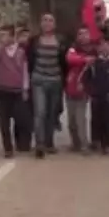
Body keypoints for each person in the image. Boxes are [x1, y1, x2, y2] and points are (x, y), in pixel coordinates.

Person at [25, 13, 67, 159]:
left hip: (55, 80)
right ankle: (40, 144)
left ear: (54, 24)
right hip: (38, 80)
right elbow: (28, 61)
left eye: (50, 20)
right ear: (41, 24)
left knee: (52, 113)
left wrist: (64, 80)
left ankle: (49, 142)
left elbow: (64, 62)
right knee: (40, 112)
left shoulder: (60, 41)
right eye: (45, 20)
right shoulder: (34, 41)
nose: (47, 23)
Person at [0, 25, 31, 158]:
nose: (2, 38)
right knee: (4, 121)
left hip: (17, 90)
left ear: (12, 36)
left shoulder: (21, 52)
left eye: (4, 35)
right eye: (1, 35)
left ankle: (21, 142)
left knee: (20, 119)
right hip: (2, 89)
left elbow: (25, 71)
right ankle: (7, 148)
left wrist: (25, 88)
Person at [64, 27, 96, 153]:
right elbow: (70, 58)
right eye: (80, 34)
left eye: (85, 33)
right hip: (70, 88)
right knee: (71, 120)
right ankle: (75, 143)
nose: (83, 36)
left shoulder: (93, 50)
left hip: (83, 89)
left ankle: (84, 144)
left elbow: (93, 63)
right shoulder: (73, 48)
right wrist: (83, 60)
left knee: (80, 119)